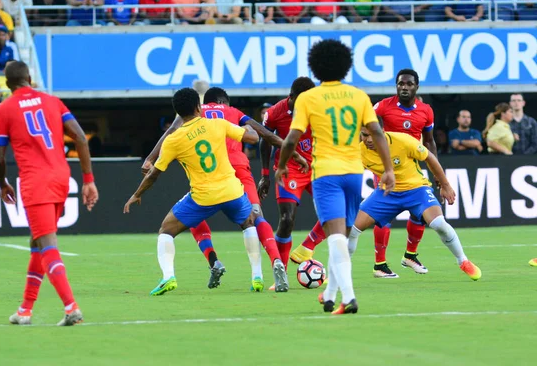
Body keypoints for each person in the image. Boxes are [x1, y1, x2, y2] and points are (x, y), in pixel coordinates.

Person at [142, 87, 308, 292]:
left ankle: (213, 260)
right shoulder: (233, 112)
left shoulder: (196, 111)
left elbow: (170, 132)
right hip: (237, 168)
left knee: (192, 215)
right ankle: (274, 263)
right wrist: (294, 155)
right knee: (255, 217)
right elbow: (265, 135)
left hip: (209, 170)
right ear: (224, 101)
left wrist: (150, 159)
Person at [276, 39, 395, 315]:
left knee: (335, 236)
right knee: (342, 234)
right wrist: (388, 169)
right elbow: (377, 133)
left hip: (326, 174)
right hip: (354, 172)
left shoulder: (308, 98)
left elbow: (292, 138)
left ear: (315, 68)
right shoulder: (358, 96)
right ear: (346, 66)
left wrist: (281, 166)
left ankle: (348, 297)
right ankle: (329, 295)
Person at [294, 68, 437, 279]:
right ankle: (379, 264)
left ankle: (410, 255)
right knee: (378, 214)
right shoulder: (383, 107)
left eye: (408, 84)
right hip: (383, 162)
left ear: (416, 86)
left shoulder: (426, 111)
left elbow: (429, 140)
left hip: (410, 164)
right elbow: (363, 123)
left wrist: (433, 168)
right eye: (401, 83)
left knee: (419, 214)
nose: (404, 87)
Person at [123, 88, 262, 296]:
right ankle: (257, 276)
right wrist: (250, 126)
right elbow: (252, 139)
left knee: (166, 230)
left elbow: (154, 174)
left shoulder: (173, 140)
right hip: (232, 191)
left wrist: (137, 194)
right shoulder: (218, 124)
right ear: (199, 107)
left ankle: (168, 276)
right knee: (248, 223)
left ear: (178, 113)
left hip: (203, 198)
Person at [0, 61, 99, 326]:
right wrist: (88, 180)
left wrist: (2, 183)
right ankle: (25, 310)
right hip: (61, 179)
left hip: (35, 181)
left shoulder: (4, 109)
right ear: (29, 78)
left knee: (48, 246)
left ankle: (71, 307)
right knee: (37, 244)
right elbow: (81, 138)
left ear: (7, 84)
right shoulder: (53, 101)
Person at [348, 126, 482, 281]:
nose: (369, 140)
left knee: (439, 224)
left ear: (383, 132)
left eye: (373, 135)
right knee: (352, 230)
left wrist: (445, 185)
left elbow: (430, 157)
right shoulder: (359, 152)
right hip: (387, 193)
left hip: (416, 189)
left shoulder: (403, 141)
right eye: (364, 135)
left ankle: (463, 261)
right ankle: (340, 273)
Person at [259, 77, 329, 268]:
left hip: (317, 168)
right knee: (286, 220)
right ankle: (281, 271)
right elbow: (264, 141)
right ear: (291, 96)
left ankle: (307, 246)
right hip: (289, 170)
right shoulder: (275, 113)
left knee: (337, 212)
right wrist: (265, 174)